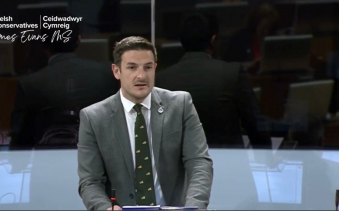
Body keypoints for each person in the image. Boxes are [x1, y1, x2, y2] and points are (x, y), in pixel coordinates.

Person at [77, 36, 213, 210]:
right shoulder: (93, 118)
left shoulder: (180, 105)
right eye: (132, 67)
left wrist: (194, 207)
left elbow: (199, 162)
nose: (141, 75)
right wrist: (104, 208)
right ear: (116, 71)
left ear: (155, 68)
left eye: (148, 67)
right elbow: (90, 181)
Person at [156, 12, 271, 149]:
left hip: (183, 168)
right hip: (228, 165)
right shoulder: (231, 73)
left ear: (182, 42)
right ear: (213, 40)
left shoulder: (160, 81)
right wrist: (267, 158)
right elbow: (254, 123)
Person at [10, 14, 118, 149]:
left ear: (43, 43)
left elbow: (20, 140)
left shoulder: (30, 84)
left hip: (49, 163)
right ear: (78, 40)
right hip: (99, 161)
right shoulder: (109, 73)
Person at [223, 4, 279, 73]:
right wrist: (252, 64)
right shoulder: (239, 39)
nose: (266, 32)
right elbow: (227, 66)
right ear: (255, 24)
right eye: (263, 28)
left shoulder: (276, 39)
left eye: (270, 28)